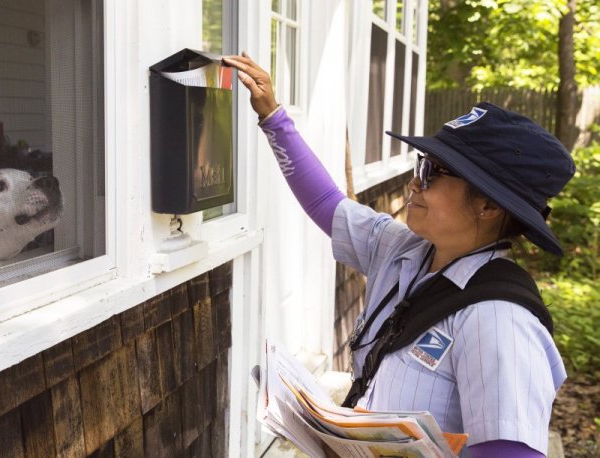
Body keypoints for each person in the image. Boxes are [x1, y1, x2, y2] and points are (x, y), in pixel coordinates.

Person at [222, 52, 575, 457]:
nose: (413, 182)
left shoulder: (499, 320)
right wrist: (273, 118)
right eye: (420, 164)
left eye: (431, 172)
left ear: (488, 206)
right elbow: (327, 203)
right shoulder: (404, 251)